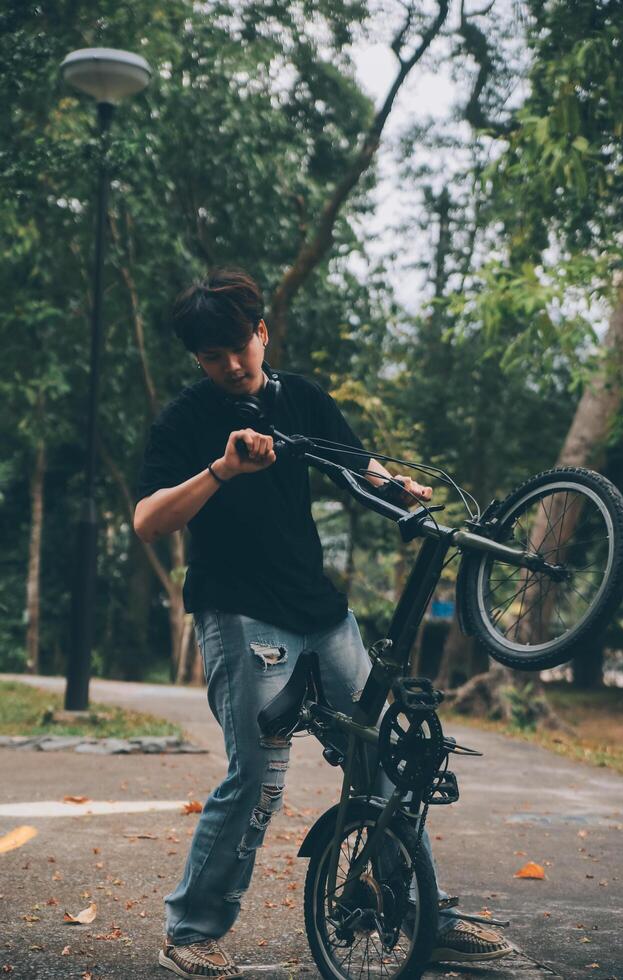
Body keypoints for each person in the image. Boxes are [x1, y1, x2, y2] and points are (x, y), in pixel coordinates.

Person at [133, 268, 512, 979]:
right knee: (259, 780)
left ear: (262, 332)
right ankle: (191, 930)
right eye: (212, 358)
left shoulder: (302, 397)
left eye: (239, 346)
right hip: (241, 614)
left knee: (389, 757)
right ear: (198, 361)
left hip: (322, 612)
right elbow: (148, 521)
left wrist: (396, 488)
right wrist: (220, 471)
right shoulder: (186, 420)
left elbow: (356, 466)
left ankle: (416, 909)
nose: (231, 365)